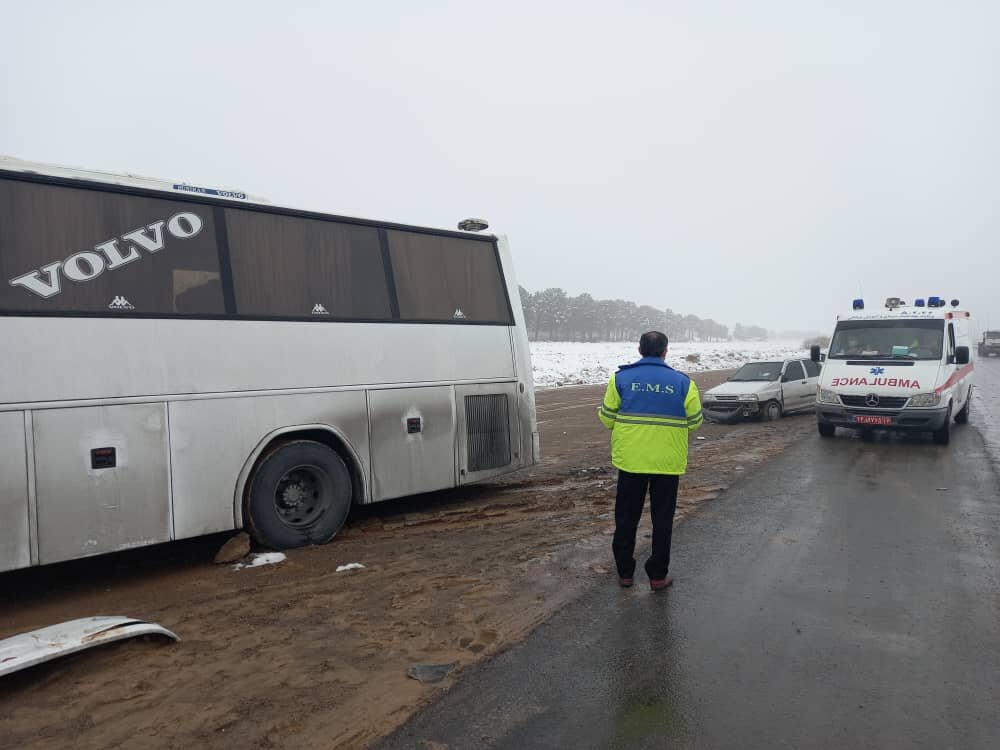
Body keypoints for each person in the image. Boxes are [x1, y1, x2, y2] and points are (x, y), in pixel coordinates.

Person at [598, 331, 703, 591]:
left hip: (630, 462)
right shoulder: (683, 383)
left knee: (625, 519)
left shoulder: (620, 378)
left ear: (639, 349)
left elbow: (607, 419)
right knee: (662, 520)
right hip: (667, 464)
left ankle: (625, 573)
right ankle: (657, 576)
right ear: (665, 351)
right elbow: (695, 422)